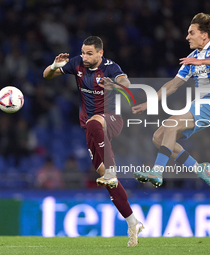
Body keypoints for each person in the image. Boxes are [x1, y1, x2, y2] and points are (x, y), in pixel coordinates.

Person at [43, 36, 143, 247]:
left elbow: (126, 83)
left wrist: (117, 86)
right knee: (106, 179)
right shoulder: (76, 63)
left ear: (100, 54)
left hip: (111, 119)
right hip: (90, 126)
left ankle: (111, 170)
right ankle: (133, 222)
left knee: (96, 125)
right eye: (83, 52)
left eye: (89, 53)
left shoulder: (110, 68)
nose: (85, 56)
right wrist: (54, 65)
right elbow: (46, 75)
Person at [132, 13, 210, 191]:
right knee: (158, 137)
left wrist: (200, 61)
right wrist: (149, 102)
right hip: (199, 104)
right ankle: (199, 169)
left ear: (204, 35)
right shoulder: (192, 57)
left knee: (171, 125)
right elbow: (173, 85)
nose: (187, 37)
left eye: (191, 33)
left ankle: (157, 171)